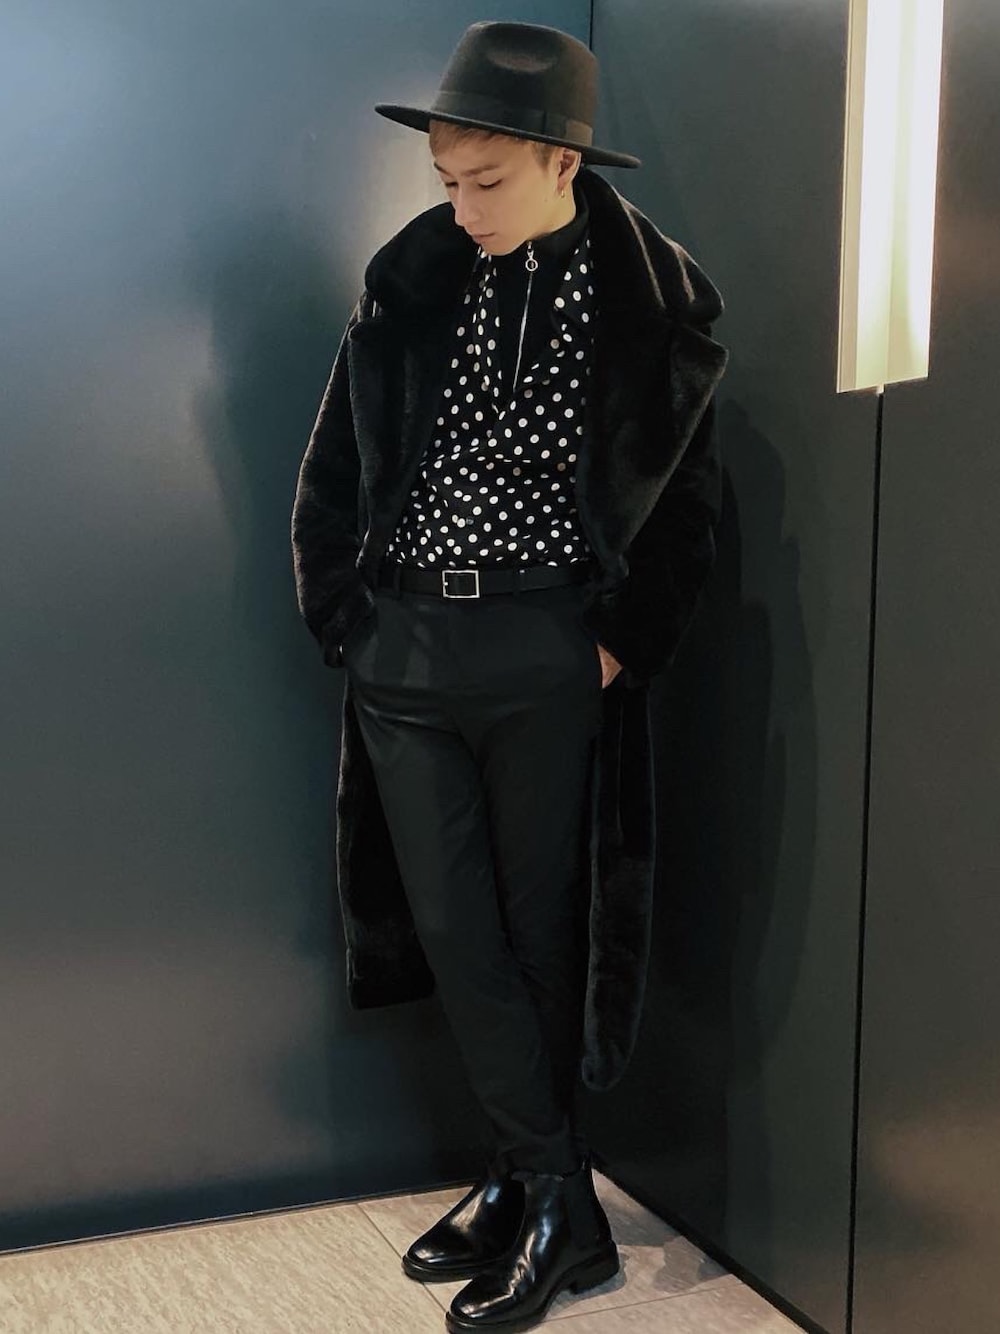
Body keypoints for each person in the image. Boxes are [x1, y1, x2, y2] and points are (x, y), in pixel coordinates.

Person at [291, 20, 728, 1333]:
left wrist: (620, 640)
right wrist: (346, 619)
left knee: (542, 933)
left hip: (546, 645)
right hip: (408, 645)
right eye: (447, 181)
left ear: (561, 163)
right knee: (454, 926)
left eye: (485, 181)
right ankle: (553, 1195)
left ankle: (531, 1192)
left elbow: (685, 502)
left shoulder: (654, 302)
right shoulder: (412, 275)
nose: (462, 207)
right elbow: (337, 461)